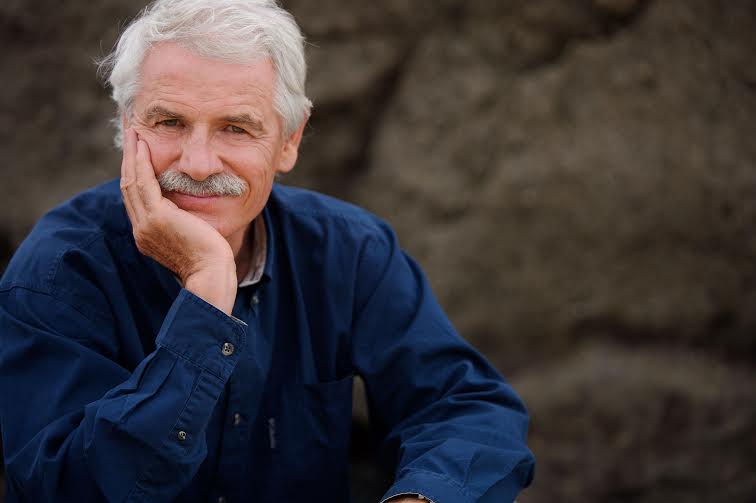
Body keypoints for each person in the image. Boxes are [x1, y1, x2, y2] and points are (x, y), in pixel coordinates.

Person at [0, 0, 534, 501]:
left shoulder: (349, 252)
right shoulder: (56, 271)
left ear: (289, 141)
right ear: (126, 126)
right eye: (169, 122)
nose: (200, 163)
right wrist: (206, 293)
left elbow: (466, 407)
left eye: (236, 128)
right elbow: (62, 487)